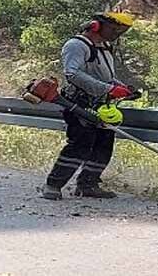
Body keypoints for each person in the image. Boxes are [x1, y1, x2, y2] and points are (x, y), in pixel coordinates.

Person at [40, 12, 135, 200]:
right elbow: (72, 74)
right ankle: (53, 185)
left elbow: (105, 76)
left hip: (101, 105)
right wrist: (108, 88)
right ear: (96, 26)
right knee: (80, 145)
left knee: (103, 145)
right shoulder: (76, 45)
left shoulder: (104, 47)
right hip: (78, 103)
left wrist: (119, 87)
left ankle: (88, 184)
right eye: (114, 29)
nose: (117, 33)